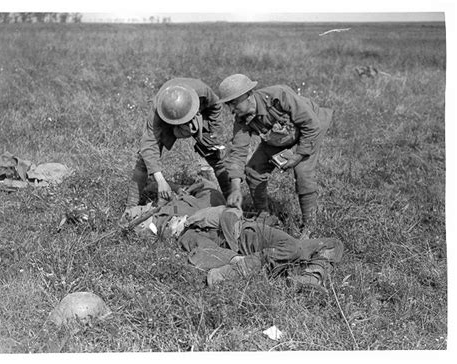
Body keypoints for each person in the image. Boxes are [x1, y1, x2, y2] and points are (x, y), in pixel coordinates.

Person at [216, 74, 333, 237]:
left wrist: (298, 156)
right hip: (279, 137)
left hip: (311, 129)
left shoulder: (279, 96)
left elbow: (311, 124)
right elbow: (238, 153)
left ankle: (310, 225)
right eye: (228, 104)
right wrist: (235, 188)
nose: (231, 109)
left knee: (302, 173)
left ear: (249, 95)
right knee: (253, 171)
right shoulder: (242, 120)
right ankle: (264, 215)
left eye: (234, 103)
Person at [123, 78, 231, 222]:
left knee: (215, 157)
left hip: (198, 116)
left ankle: (232, 202)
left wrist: (212, 132)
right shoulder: (158, 110)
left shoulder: (203, 92)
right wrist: (160, 181)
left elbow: (216, 106)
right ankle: (130, 208)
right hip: (167, 119)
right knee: (143, 161)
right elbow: (149, 146)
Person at [179, 206, 343, 291]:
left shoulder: (192, 212)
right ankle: (232, 272)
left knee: (333, 244)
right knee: (292, 247)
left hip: (248, 233)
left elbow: (228, 214)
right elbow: (202, 250)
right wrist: (234, 259)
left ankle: (309, 279)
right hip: (246, 237)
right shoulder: (188, 232)